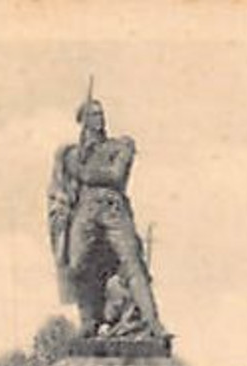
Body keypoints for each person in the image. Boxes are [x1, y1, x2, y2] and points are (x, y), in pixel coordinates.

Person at [48, 96, 167, 341]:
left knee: (132, 262)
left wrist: (83, 171)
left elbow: (116, 175)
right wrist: (78, 162)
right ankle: (89, 322)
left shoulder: (120, 145)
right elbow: (68, 177)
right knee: (78, 264)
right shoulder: (72, 153)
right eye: (92, 115)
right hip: (85, 211)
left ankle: (153, 323)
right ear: (82, 122)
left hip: (113, 208)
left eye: (100, 114)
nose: (99, 119)